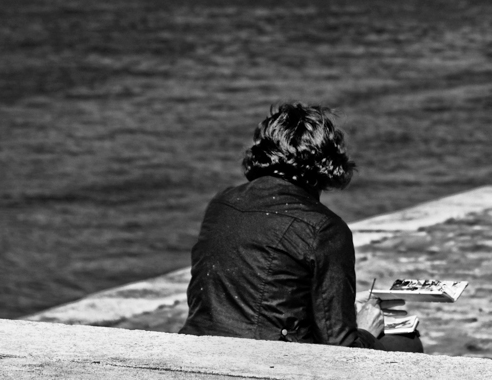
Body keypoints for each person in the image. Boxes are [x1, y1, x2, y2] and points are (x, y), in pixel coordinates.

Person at [180, 102, 423, 352]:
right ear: (328, 163)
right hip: (268, 360)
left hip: (199, 346)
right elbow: (340, 346)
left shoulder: (223, 203)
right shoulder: (325, 229)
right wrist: (366, 330)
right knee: (406, 342)